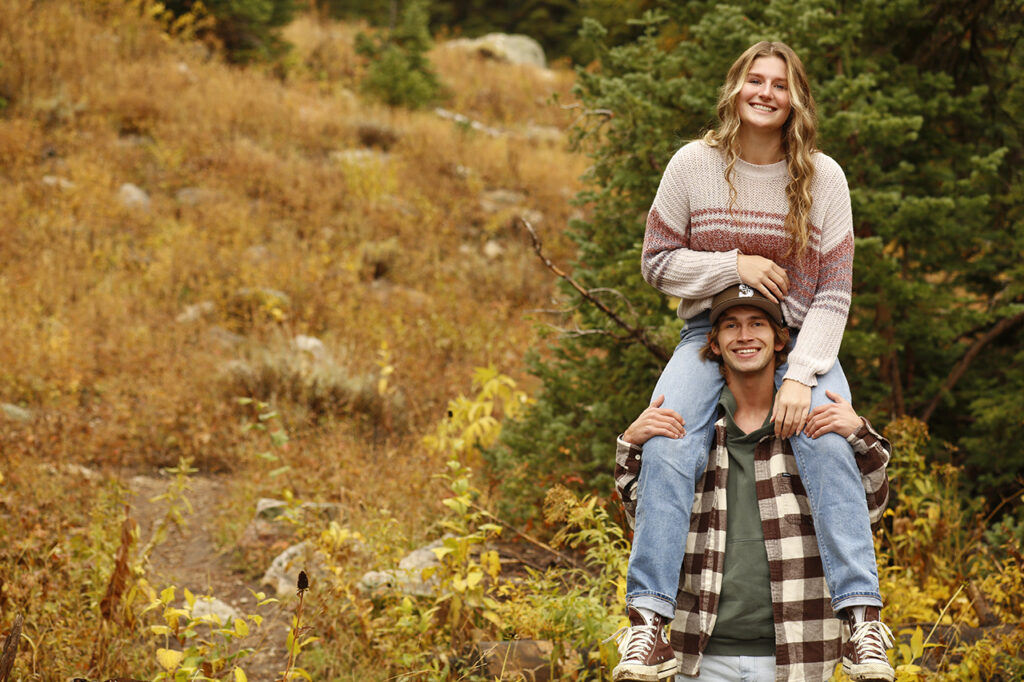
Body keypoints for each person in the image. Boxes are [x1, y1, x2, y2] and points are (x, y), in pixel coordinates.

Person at [617, 41, 891, 680]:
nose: (765, 93)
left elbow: (834, 293)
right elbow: (656, 262)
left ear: (796, 99)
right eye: (754, 80)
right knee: (666, 445)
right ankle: (648, 626)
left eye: (779, 84)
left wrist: (801, 377)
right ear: (735, 88)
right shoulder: (692, 165)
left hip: (801, 342)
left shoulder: (824, 177)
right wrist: (731, 265)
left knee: (827, 441)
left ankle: (862, 622)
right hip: (710, 337)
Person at [610, 286, 894, 681]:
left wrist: (858, 436)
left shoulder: (814, 431)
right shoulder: (687, 434)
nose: (744, 336)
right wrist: (633, 446)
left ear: (781, 339)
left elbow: (871, 513)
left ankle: (863, 624)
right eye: (731, 325)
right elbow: (643, 520)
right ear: (714, 342)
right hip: (703, 655)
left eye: (757, 324)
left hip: (798, 656)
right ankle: (646, 628)